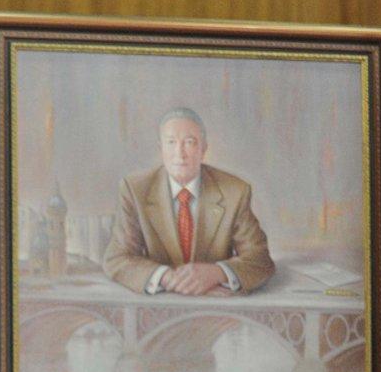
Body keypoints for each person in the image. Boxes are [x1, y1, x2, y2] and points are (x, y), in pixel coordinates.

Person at [103, 107, 275, 295]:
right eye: (171, 142)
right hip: (156, 308)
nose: (180, 153)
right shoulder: (135, 189)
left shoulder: (235, 191)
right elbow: (117, 258)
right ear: (160, 148)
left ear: (203, 149)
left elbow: (261, 260)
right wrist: (166, 277)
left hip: (217, 309)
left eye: (190, 142)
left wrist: (217, 273)